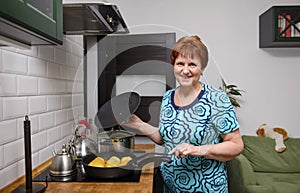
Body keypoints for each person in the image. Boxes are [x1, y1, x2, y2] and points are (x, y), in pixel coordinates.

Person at [122, 35, 244, 193]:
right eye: (180, 64)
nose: (185, 70)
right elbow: (166, 139)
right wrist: (138, 125)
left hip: (206, 188)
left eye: (192, 64)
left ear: (202, 68)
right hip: (170, 186)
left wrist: (197, 150)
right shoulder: (168, 97)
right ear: (173, 65)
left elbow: (236, 145)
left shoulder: (216, 99)